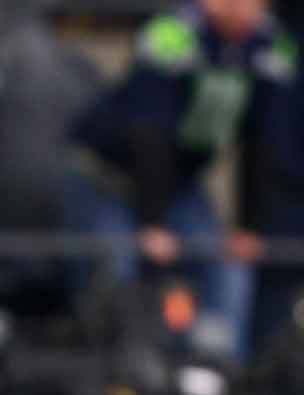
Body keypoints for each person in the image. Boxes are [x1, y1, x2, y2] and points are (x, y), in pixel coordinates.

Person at [69, 0, 295, 363]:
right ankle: (116, 381)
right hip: (108, 178)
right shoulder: (171, 31)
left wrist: (247, 225)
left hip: (179, 186)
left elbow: (265, 142)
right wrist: (153, 222)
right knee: (119, 270)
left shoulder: (269, 45)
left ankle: (216, 378)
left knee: (228, 267)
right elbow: (149, 132)